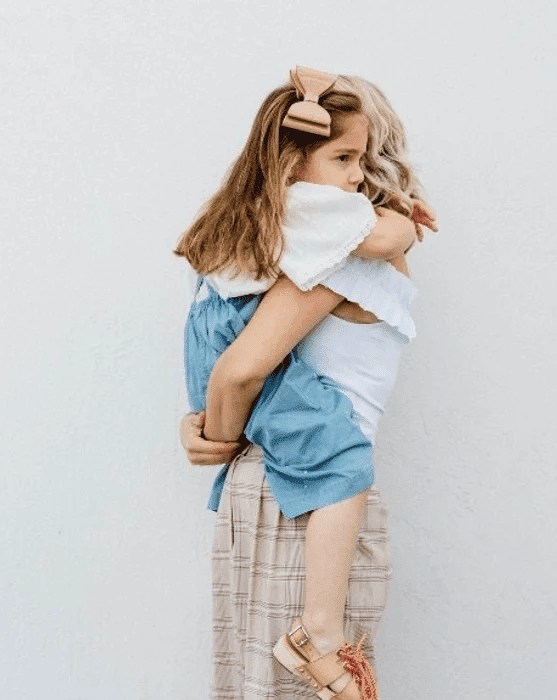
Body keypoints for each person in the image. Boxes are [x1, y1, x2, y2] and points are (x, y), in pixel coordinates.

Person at [175, 67, 434, 700]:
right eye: (346, 158)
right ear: (293, 166)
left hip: (273, 485)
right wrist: (217, 422)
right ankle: (315, 637)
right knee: (302, 685)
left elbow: (231, 366)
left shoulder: (292, 237)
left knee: (251, 681)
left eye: (366, 160)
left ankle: (315, 638)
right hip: (305, 491)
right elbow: (240, 370)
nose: (359, 176)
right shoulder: (336, 248)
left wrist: (212, 425)